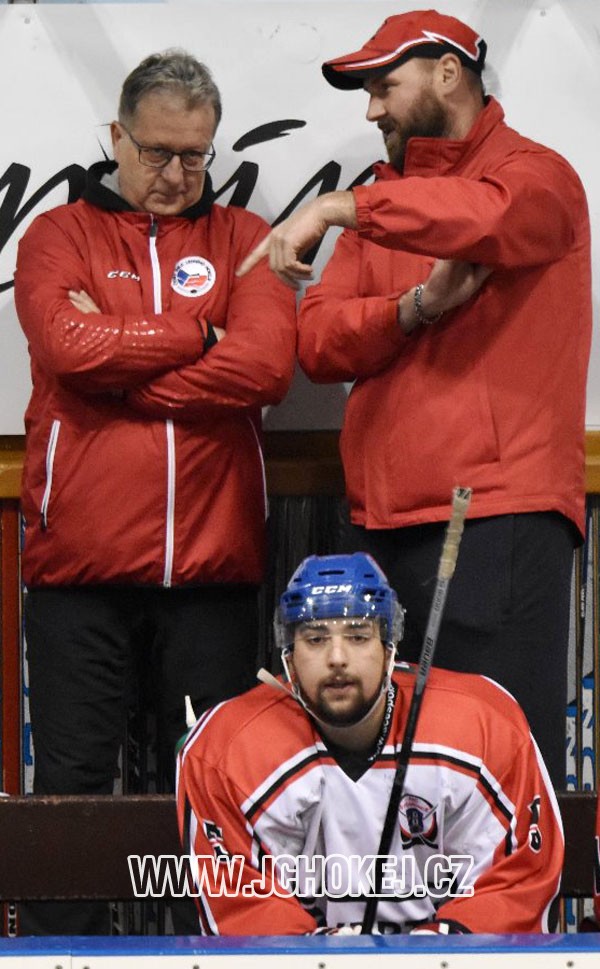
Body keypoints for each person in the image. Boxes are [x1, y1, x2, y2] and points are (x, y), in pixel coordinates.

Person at [237, 9, 592, 788]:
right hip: (380, 524)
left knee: (499, 767)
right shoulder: (386, 201)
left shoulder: (539, 175)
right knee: (400, 781)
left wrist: (339, 207)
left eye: (383, 86)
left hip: (494, 516)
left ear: (447, 73)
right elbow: (319, 342)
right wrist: (414, 309)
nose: (372, 110)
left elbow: (490, 217)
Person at [14, 49, 296, 933]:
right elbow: (66, 349)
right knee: (72, 793)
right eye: (158, 152)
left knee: (213, 792)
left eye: (195, 156)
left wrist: (124, 367)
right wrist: (196, 333)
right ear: (117, 138)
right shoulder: (57, 236)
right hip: (79, 574)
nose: (176, 175)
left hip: (212, 573)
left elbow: (265, 367)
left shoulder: (246, 238)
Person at [177, 552, 563, 936]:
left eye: (358, 636)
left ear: (389, 648)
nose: (337, 658)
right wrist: (324, 954)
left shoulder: (483, 724)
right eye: (315, 639)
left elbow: (516, 881)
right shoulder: (224, 751)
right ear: (289, 656)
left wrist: (436, 948)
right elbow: (242, 903)